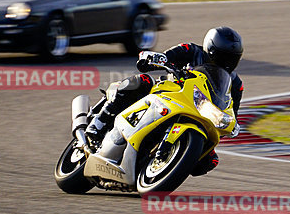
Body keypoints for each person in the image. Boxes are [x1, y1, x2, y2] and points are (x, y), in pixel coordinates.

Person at [85, 26, 244, 176]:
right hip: (169, 93)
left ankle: (168, 163)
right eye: (224, 57)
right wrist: (157, 58)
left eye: (232, 58)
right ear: (211, 50)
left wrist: (230, 124)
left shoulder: (235, 84)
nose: (228, 62)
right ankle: (98, 124)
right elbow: (167, 57)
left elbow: (231, 110)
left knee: (210, 160)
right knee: (142, 82)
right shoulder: (192, 51)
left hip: (199, 111)